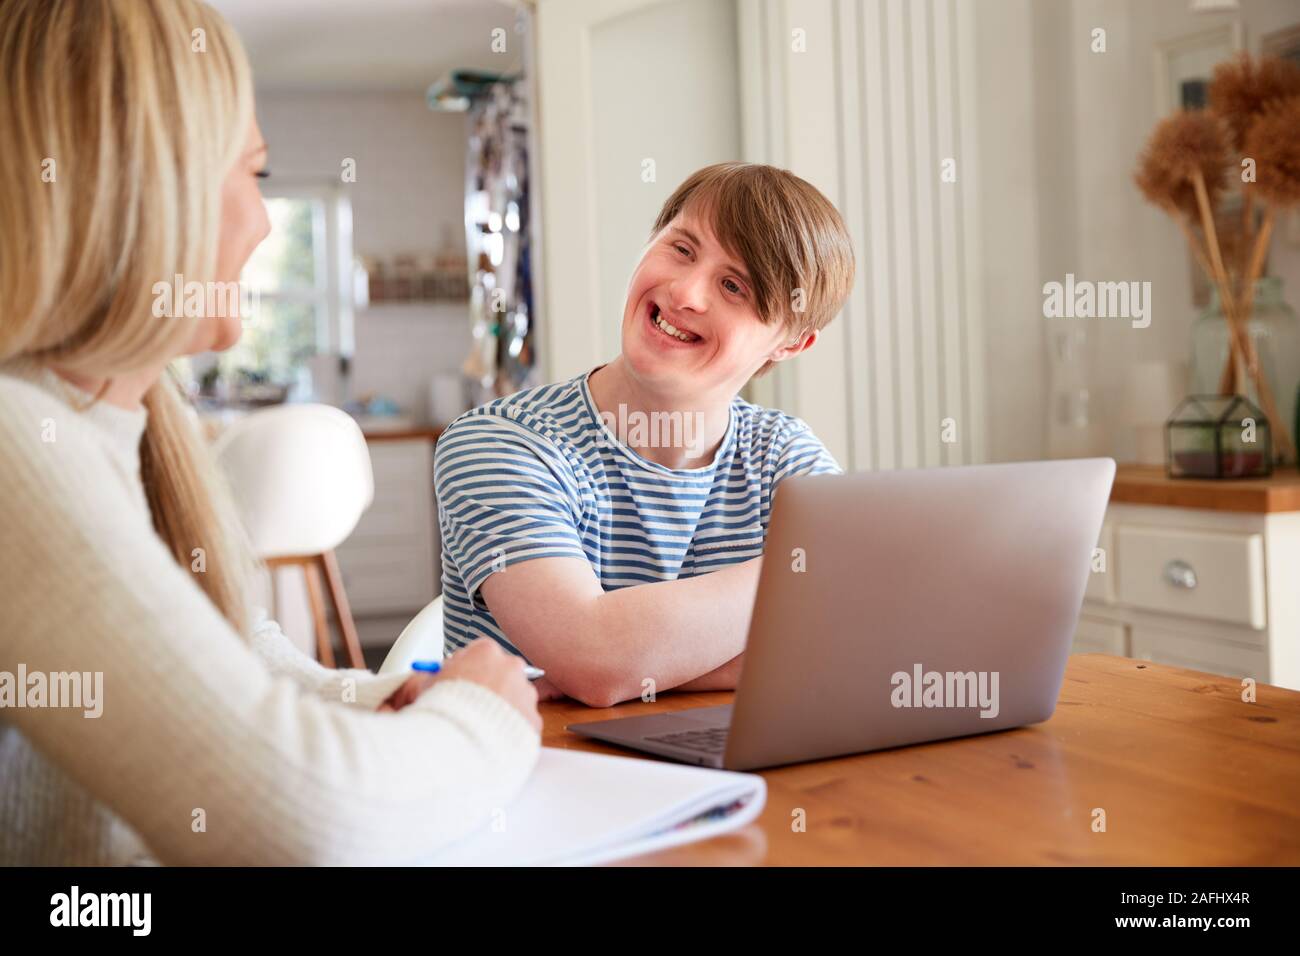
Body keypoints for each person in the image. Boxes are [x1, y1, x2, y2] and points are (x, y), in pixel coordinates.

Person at [0, 0, 540, 866]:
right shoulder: (16, 438)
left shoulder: (130, 421)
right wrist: (481, 714)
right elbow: (304, 819)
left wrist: (375, 698)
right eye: (252, 175)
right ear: (148, 194)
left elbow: (226, 655)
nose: (261, 221)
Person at [436, 162, 855, 708]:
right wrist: (806, 565)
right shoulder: (498, 445)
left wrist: (628, 667)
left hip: (728, 774)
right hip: (539, 776)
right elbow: (596, 659)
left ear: (790, 344)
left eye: (733, 286)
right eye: (682, 249)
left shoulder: (784, 455)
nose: (685, 293)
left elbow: (855, 638)